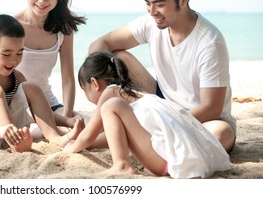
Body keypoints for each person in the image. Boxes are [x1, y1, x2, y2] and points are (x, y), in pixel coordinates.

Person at [88, 0, 236, 152]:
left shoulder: (209, 42)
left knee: (220, 133)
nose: (152, 11)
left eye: (159, 4)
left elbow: (211, 108)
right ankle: (105, 126)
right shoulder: (151, 22)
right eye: (147, 3)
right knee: (118, 56)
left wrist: (161, 121)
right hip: (162, 102)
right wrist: (92, 78)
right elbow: (100, 44)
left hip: (202, 120)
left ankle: (111, 135)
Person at [65, 51, 231, 178]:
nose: (87, 97)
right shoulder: (138, 95)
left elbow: (89, 135)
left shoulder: (110, 94)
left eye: (84, 90)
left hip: (166, 163)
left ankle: (121, 164)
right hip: (194, 159)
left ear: (94, 83)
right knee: (114, 107)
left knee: (110, 106)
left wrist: (73, 147)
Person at [0, 14, 83, 157]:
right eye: (6, 54)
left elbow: (39, 112)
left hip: (1, 136)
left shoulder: (17, 76)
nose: (13, 60)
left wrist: (67, 121)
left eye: (19, 53)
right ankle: (15, 144)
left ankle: (55, 138)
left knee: (32, 88)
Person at [15, 0, 87, 127]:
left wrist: (68, 116)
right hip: (16, 106)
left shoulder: (64, 30)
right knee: (39, 131)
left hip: (49, 104)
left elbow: (68, 78)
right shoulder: (10, 26)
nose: (42, 0)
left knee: (88, 125)